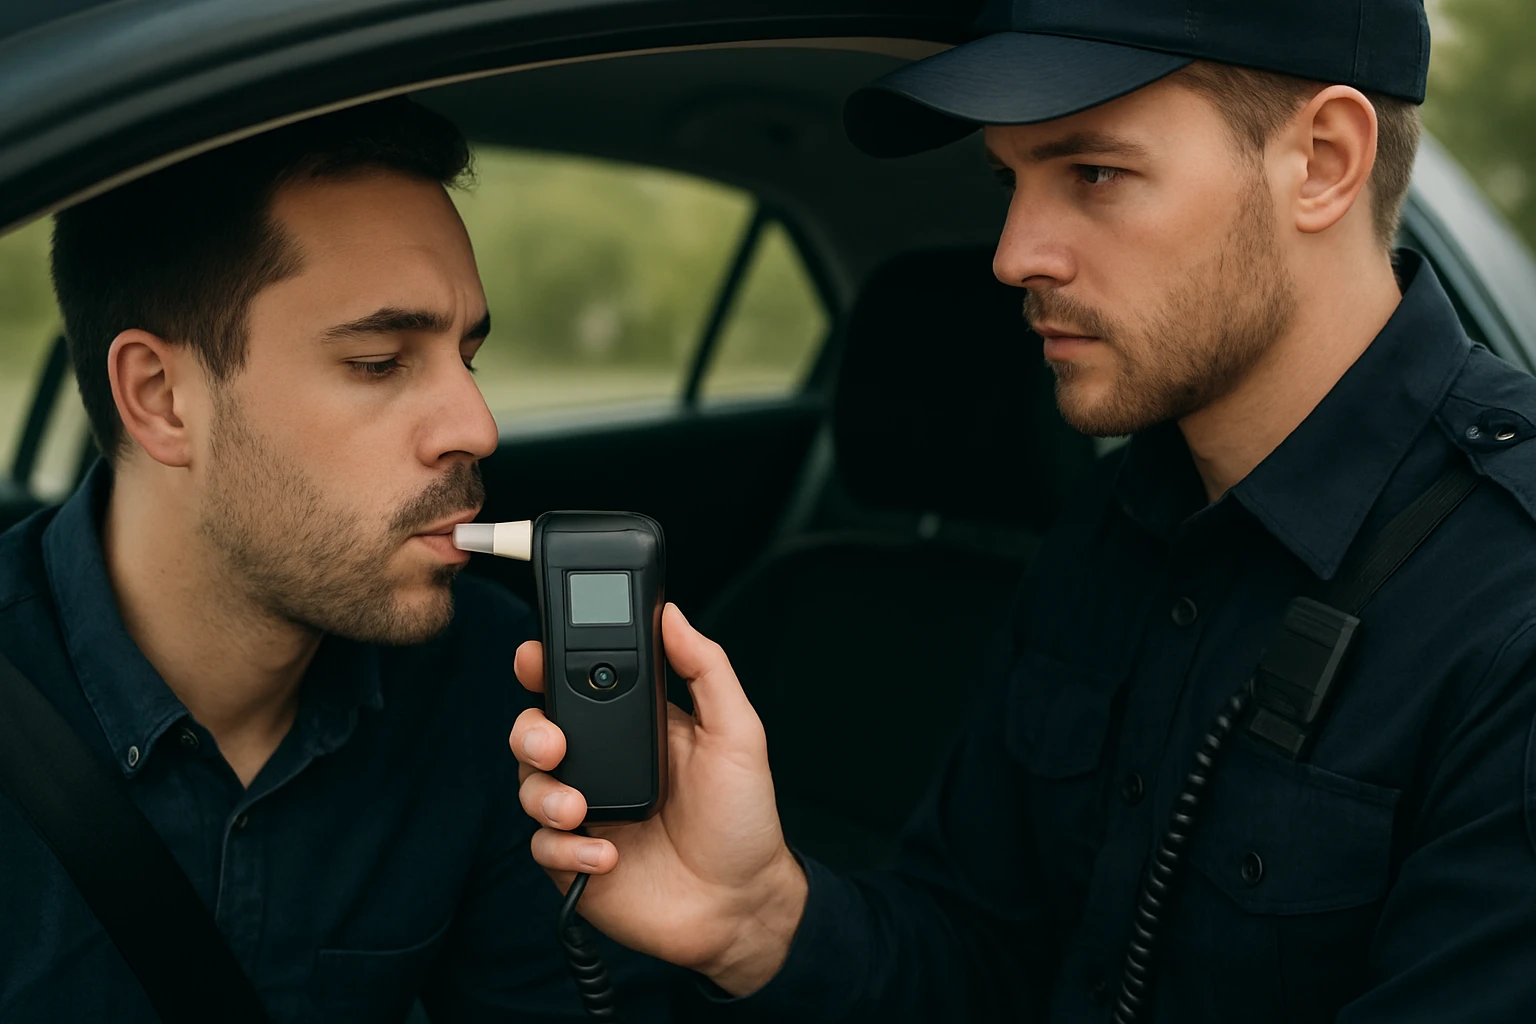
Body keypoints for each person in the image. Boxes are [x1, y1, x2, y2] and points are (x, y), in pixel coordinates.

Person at [509, 1, 1536, 1021]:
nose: (1013, 254)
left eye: (1094, 173)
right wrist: (759, 918)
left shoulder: (1505, 607)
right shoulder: (1112, 528)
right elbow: (980, 960)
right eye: (1010, 180)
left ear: (1322, 160)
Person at [0, 98, 673, 1021]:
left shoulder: (491, 679)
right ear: (159, 399)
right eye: (380, 362)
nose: (477, 426)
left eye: (467, 355)